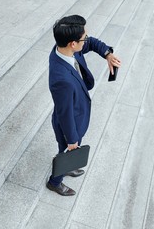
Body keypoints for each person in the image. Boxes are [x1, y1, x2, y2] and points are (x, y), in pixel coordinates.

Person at [47, 15, 121, 196]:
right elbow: (65, 114)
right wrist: (72, 140)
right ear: (73, 43)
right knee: (66, 149)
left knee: (70, 148)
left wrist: (108, 54)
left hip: (76, 111)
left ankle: (68, 164)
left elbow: (93, 43)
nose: (86, 40)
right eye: (83, 38)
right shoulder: (61, 79)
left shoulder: (65, 48)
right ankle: (55, 182)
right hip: (69, 122)